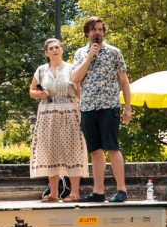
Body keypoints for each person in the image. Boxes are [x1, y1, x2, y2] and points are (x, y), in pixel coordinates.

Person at [68, 16, 134, 202]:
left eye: (100, 29)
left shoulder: (114, 52)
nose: (97, 32)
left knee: (112, 148)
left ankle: (121, 190)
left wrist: (128, 107)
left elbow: (124, 81)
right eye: (94, 29)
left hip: (109, 106)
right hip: (88, 107)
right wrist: (90, 56)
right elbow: (75, 78)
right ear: (87, 33)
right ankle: (98, 192)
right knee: (95, 150)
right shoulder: (80, 53)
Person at [28, 37, 85, 202]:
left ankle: (74, 192)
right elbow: (31, 91)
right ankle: (53, 193)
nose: (54, 50)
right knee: (50, 151)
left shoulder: (71, 68)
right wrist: (40, 94)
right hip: (47, 113)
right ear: (46, 53)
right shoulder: (41, 70)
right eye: (51, 48)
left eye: (57, 47)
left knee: (72, 151)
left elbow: (79, 92)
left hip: (69, 112)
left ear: (61, 50)